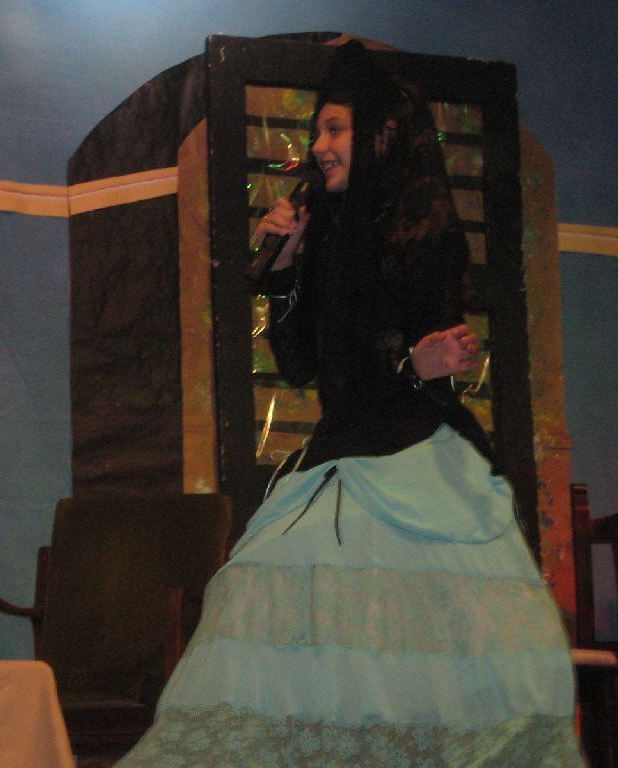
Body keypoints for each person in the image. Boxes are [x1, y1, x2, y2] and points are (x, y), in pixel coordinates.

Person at [117, 40, 584, 767]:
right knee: (273, 594)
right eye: (318, 131)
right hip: (340, 453)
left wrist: (419, 362)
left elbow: (425, 354)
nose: (319, 146)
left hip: (412, 453)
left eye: (335, 129)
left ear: (381, 135)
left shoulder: (426, 232)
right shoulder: (326, 234)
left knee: (415, 657)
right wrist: (282, 265)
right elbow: (301, 362)